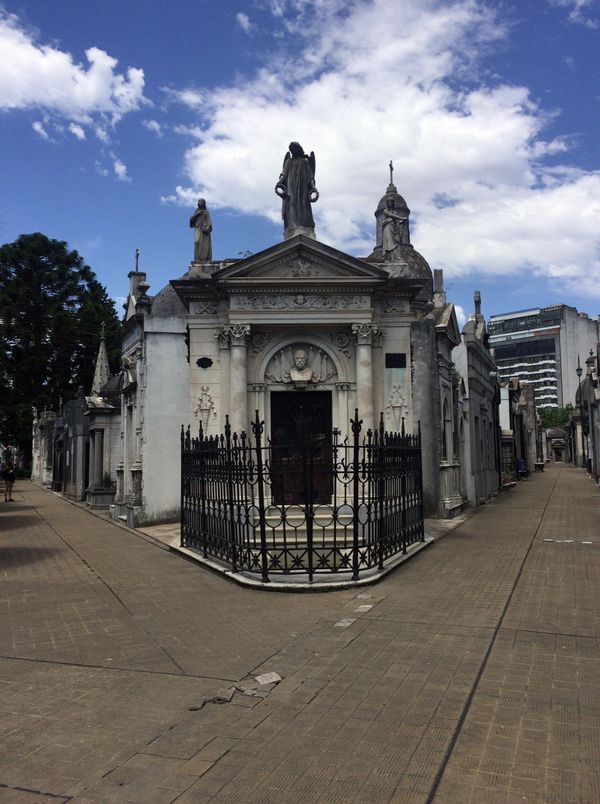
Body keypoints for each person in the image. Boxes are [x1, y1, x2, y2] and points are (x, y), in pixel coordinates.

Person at [275, 142, 319, 232]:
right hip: (291, 186)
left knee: (304, 204)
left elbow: (310, 176)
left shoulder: (305, 161)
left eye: (293, 150)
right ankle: (293, 226)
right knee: (292, 204)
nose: (292, 152)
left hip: (303, 187)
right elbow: (284, 174)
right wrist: (279, 182)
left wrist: (313, 187)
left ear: (298, 149)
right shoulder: (289, 162)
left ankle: (304, 225)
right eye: (291, 150)